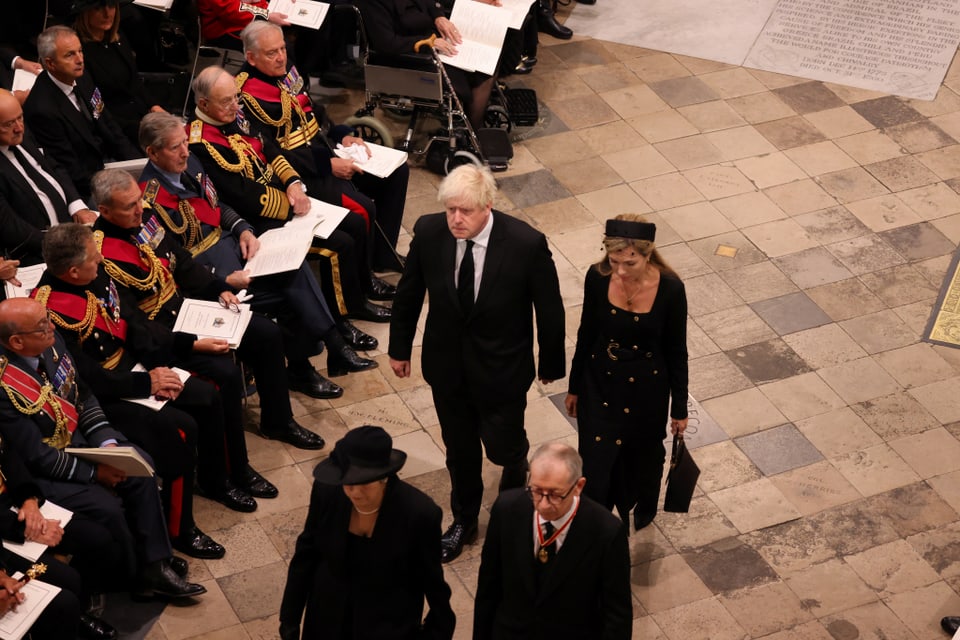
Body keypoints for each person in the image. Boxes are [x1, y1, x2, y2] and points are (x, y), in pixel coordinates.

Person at [90, 168, 316, 498]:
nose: (140, 209)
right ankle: (227, 473)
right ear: (105, 211)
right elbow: (133, 323)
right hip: (160, 339)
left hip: (186, 310)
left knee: (266, 333)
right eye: (129, 207)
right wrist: (194, 343)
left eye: (139, 201)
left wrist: (216, 289)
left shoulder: (145, 216)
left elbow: (179, 260)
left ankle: (278, 421)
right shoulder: (100, 255)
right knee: (223, 374)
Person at [388, 164, 566, 562]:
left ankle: (515, 461)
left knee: (502, 446)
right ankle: (464, 521)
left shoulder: (525, 243)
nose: (456, 219)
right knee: (460, 450)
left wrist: (551, 364)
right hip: (447, 368)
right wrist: (399, 347)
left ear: (488, 205)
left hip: (502, 369)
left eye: (465, 211)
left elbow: (549, 309)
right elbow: (409, 293)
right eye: (451, 209)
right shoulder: (430, 232)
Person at [137, 111, 376, 397]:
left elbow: (217, 206)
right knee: (290, 293)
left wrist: (243, 230)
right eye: (175, 147)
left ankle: (323, 351)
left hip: (236, 252)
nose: (185, 151)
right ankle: (318, 356)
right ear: (152, 152)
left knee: (294, 269)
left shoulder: (191, 164)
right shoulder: (147, 203)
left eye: (186, 143)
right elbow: (173, 263)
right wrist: (222, 280)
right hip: (211, 280)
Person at [34, 222, 231, 557]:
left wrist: (160, 365)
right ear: (72, 271)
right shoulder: (49, 311)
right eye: (93, 261)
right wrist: (146, 383)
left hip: (135, 371)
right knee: (180, 430)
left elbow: (131, 323)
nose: (100, 262)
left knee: (206, 395)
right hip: (107, 396)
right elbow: (87, 379)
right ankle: (180, 529)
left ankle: (218, 481)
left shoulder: (93, 274)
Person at [0, 297, 207, 600]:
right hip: (46, 469)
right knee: (106, 508)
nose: (53, 327)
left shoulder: (51, 342)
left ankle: (154, 561)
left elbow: (82, 394)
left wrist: (107, 443)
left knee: (139, 465)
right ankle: (133, 575)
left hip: (82, 442)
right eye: (43, 325)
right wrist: (95, 473)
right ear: (17, 341)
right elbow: (35, 454)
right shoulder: (5, 384)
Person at [187, 66, 393, 324]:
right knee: (340, 244)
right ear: (204, 104)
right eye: (226, 101)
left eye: (235, 98)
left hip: (286, 198)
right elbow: (241, 195)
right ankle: (344, 315)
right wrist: (290, 204)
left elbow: (271, 151)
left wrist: (294, 184)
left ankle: (360, 293)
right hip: (262, 220)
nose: (235, 106)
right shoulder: (199, 142)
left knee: (353, 221)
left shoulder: (233, 116)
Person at [239, 20, 409, 273]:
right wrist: (326, 164)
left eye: (282, 49)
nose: (280, 58)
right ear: (251, 58)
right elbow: (267, 155)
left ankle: (382, 257)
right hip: (302, 174)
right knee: (363, 207)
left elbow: (313, 113)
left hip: (325, 151)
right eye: (271, 53)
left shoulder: (287, 72)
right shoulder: (245, 96)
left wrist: (344, 135)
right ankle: (364, 277)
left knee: (398, 172)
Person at [565, 215, 689, 532]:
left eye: (629, 263)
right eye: (614, 260)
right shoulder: (597, 277)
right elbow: (586, 333)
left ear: (648, 256)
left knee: (641, 457)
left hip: (646, 390)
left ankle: (638, 504)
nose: (620, 270)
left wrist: (679, 409)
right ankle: (597, 524)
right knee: (595, 460)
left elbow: (676, 350)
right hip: (600, 385)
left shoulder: (671, 289)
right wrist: (575, 386)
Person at [279, 425, 456, 640]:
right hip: (327, 618)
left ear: (384, 477)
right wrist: (289, 620)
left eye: (364, 483)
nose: (355, 492)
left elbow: (435, 588)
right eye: (349, 483)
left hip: (387, 625)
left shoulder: (419, 514)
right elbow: (306, 556)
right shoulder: (328, 492)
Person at [473, 443, 632, 640]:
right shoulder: (507, 508)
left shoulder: (606, 532)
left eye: (555, 495)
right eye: (537, 491)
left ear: (578, 486)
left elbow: (617, 615)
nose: (544, 504)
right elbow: (489, 586)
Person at [22, 25, 140, 199]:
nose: (80, 59)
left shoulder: (82, 77)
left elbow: (107, 122)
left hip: (109, 161)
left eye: (80, 51)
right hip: (88, 184)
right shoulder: (43, 109)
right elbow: (70, 168)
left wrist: (138, 164)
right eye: (70, 55)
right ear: (50, 63)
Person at [358, 0, 497, 130]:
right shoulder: (372, 4)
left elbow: (430, 2)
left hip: (432, 44)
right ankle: (473, 129)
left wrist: (438, 17)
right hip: (407, 57)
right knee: (475, 73)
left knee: (488, 64)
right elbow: (386, 44)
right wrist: (427, 42)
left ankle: (474, 125)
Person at [0, 89, 98, 265]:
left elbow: (55, 167)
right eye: (8, 124)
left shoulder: (21, 134)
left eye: (20, 118)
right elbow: (10, 227)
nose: (19, 128)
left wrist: (77, 206)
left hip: (72, 228)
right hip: (40, 252)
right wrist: (62, 245)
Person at [71, 0, 164, 146]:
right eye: (98, 7)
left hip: (142, 114)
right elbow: (95, 107)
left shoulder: (117, 37)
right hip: (116, 129)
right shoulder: (79, 52)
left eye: (112, 6)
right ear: (85, 13)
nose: (107, 13)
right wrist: (137, 127)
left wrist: (154, 106)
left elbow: (135, 81)